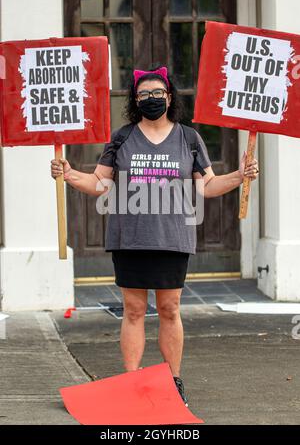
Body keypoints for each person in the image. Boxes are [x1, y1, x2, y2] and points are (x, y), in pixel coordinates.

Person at [51, 65, 259, 407]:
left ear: (169, 97)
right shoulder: (121, 137)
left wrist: (240, 174)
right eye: (144, 94)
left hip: (172, 237)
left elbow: (206, 186)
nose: (151, 99)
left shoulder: (189, 137)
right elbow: (100, 183)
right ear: (135, 100)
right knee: (133, 310)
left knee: (169, 308)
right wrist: (70, 173)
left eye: (157, 94)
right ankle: (132, 380)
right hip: (129, 237)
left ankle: (172, 380)